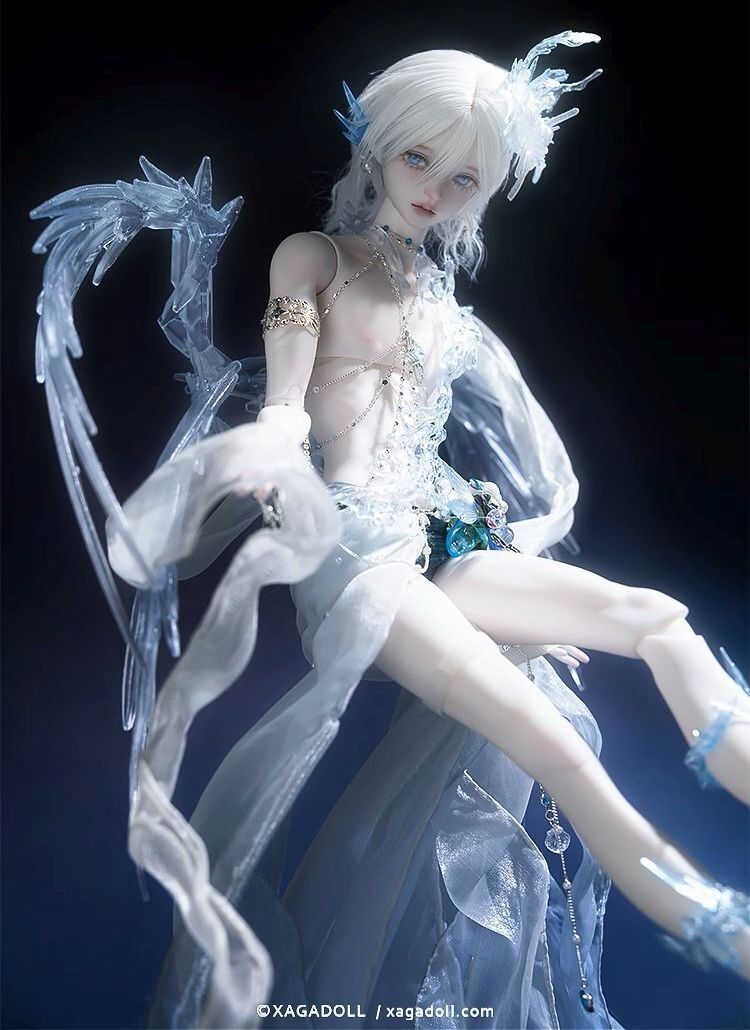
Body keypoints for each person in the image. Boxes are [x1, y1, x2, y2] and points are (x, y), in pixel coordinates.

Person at [32, 30, 750, 1030]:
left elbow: (427, 445)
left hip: (438, 546)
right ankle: (723, 926)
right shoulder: (313, 258)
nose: (434, 190)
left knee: (656, 617)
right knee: (553, 743)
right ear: (377, 145)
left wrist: (496, 558)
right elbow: (288, 393)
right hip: (354, 557)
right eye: (419, 159)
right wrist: (274, 438)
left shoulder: (440, 299)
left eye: (464, 179)